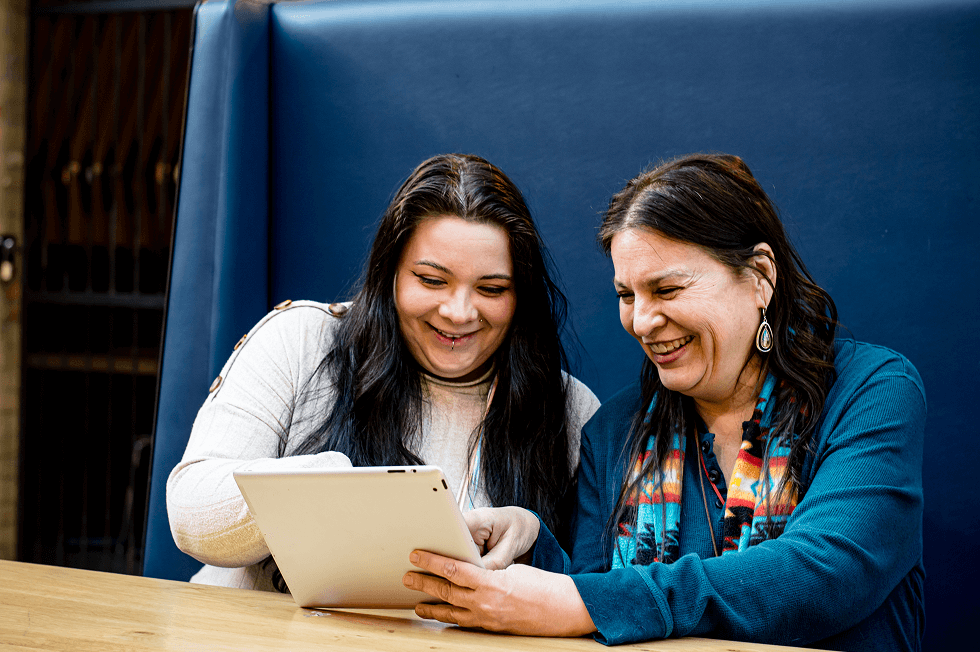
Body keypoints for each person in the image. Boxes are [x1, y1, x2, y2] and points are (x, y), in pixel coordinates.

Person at [403, 153, 925, 651]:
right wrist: (530, 540)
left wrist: (586, 602)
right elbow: (593, 609)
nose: (642, 321)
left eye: (668, 289)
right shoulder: (613, 432)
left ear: (761, 276)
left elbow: (828, 573)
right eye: (627, 296)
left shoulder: (871, 390)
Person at [167, 153, 600, 590]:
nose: (458, 312)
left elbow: (599, 591)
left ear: (520, 295)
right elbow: (190, 518)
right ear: (389, 272)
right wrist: (322, 489)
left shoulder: (569, 408)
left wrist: (535, 542)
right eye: (431, 280)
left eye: (491, 289)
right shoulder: (301, 340)